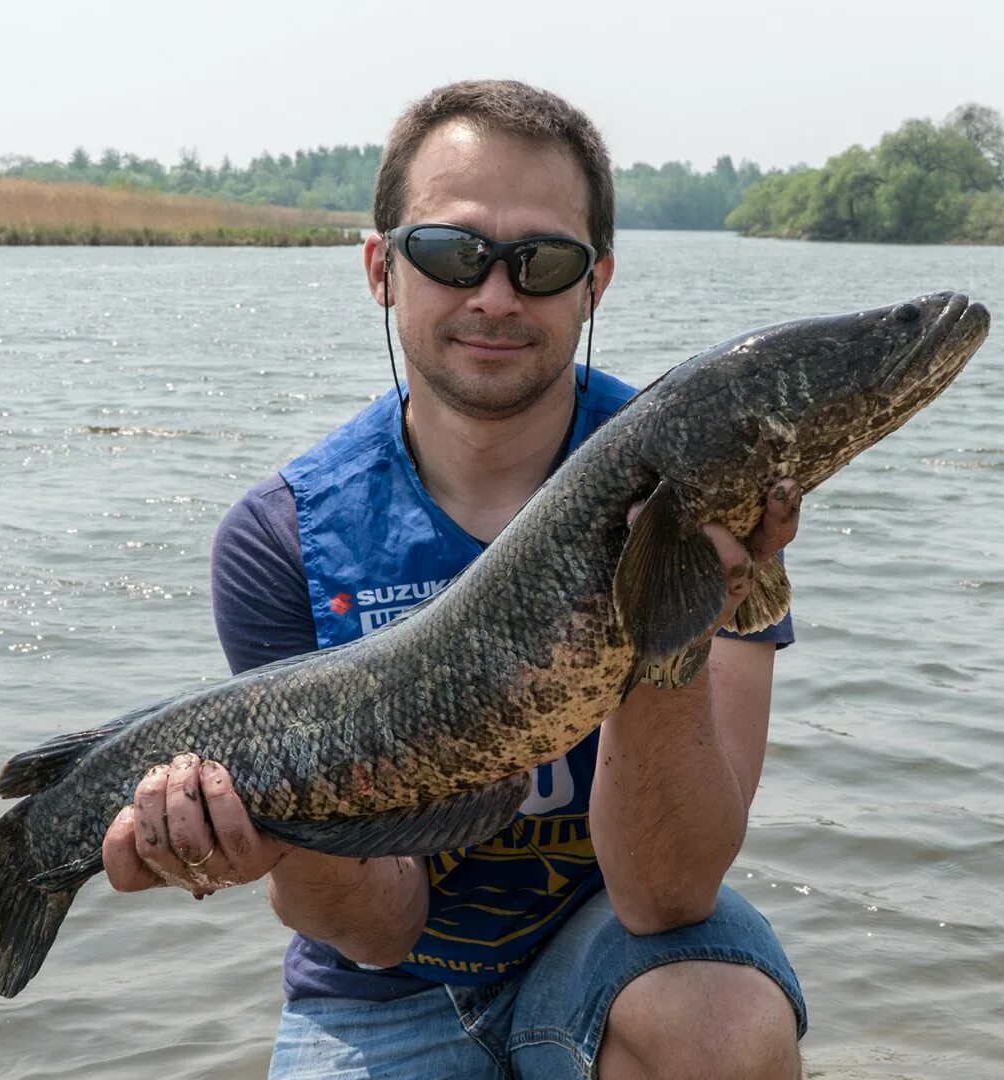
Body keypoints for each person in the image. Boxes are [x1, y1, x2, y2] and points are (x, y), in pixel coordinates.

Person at [101, 80, 807, 1079]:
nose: (495, 296)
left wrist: (672, 620)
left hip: (622, 951)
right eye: (450, 253)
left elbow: (666, 893)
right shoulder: (284, 535)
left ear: (596, 281)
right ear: (381, 269)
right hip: (379, 996)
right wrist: (277, 838)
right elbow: (380, 928)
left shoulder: (696, 479)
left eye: (542, 261)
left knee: (723, 1031)